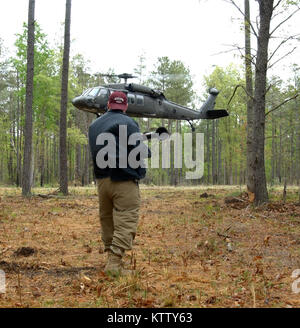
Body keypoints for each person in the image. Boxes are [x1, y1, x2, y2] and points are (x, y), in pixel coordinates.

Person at [88, 91, 151, 276]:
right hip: (123, 180)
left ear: (108, 104)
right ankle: (114, 265)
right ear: (125, 106)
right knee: (126, 219)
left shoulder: (94, 125)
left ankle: (111, 259)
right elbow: (139, 150)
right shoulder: (129, 123)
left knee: (107, 218)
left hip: (102, 181)